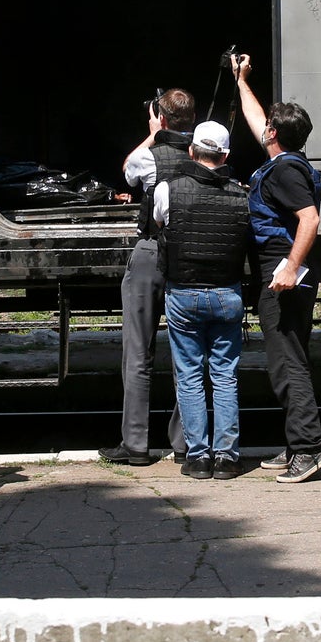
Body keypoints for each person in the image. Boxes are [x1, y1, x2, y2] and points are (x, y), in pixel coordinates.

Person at [230, 56, 321, 483]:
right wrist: (241, 81)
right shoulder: (286, 159)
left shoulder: (286, 171)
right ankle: (296, 444)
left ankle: (309, 449)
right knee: (289, 358)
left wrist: (289, 268)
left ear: (275, 134)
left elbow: (309, 220)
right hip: (283, 270)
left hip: (283, 273)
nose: (262, 127)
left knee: (286, 363)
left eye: (268, 125)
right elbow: (258, 120)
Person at [100, 89, 195, 465]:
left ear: (163, 118)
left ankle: (135, 445)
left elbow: (128, 170)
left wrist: (154, 133)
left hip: (152, 251)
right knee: (188, 354)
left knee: (138, 352)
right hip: (189, 256)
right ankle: (186, 443)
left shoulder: (149, 156)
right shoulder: (203, 152)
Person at [153, 120, 250, 479]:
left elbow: (160, 225)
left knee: (190, 375)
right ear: (225, 155)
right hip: (227, 294)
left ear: (192, 150)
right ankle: (227, 457)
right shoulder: (243, 194)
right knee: (225, 375)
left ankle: (198, 458)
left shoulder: (168, 189)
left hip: (183, 292)